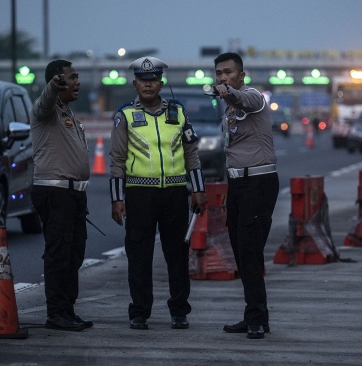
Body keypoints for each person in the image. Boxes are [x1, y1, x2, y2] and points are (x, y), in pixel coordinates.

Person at [109, 56, 207, 331]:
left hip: (175, 194)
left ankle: (179, 311)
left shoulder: (178, 113)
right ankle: (139, 312)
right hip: (139, 195)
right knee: (139, 255)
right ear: (135, 84)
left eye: (153, 80)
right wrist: (117, 198)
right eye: (143, 80)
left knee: (177, 255)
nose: (148, 85)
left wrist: (198, 190)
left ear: (161, 84)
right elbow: (116, 160)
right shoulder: (124, 115)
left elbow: (192, 155)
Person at [211, 52, 279, 339]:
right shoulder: (228, 109)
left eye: (228, 72)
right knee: (241, 254)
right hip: (238, 185)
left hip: (259, 183)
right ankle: (255, 314)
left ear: (242, 75)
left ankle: (256, 320)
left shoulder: (252, 97)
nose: (223, 77)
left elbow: (246, 100)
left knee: (250, 252)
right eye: (219, 73)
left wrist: (230, 93)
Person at [30, 59, 93, 331]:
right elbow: (44, 102)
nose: (77, 81)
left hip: (73, 195)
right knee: (58, 254)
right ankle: (56, 313)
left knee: (74, 254)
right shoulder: (45, 110)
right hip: (55, 192)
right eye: (72, 77)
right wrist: (52, 88)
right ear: (57, 81)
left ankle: (67, 310)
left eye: (77, 76)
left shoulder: (67, 112)